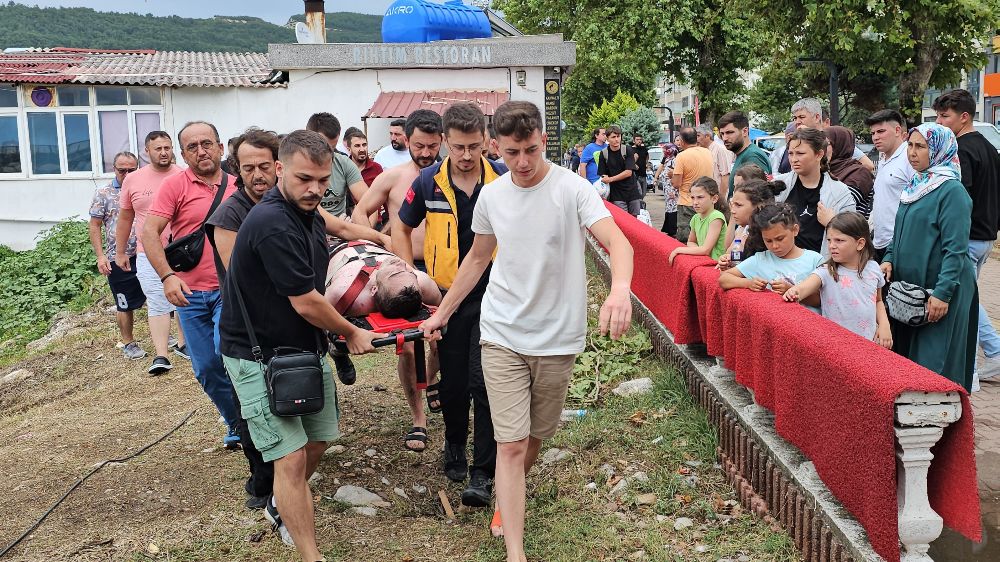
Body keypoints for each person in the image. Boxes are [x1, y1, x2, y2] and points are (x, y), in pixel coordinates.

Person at [418, 100, 634, 562]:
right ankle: (515, 551)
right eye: (513, 152)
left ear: (542, 142)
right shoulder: (493, 197)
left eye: (532, 150)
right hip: (502, 332)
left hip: (558, 336)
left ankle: (505, 493)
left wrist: (619, 291)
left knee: (536, 435)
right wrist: (443, 313)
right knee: (510, 443)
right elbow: (478, 258)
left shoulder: (573, 190)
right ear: (498, 146)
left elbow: (617, 241)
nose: (523, 162)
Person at [205, 127, 391, 512]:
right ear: (281, 169)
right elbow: (298, 298)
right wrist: (349, 330)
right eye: (305, 179)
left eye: (323, 181)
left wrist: (379, 239)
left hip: (301, 341)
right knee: (282, 454)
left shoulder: (305, 208)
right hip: (256, 347)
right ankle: (274, 496)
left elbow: (335, 227)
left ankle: (281, 496)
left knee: (316, 439)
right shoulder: (254, 218)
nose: (315, 188)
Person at [395, 101, 508, 506]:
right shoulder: (428, 182)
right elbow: (401, 226)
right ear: (444, 142)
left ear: (486, 142)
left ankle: (482, 470)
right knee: (455, 382)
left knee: (487, 383)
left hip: (496, 295)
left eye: (473, 147)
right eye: (457, 146)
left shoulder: (503, 179)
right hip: (448, 297)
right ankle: (455, 446)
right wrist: (411, 277)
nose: (464, 155)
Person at [142, 121, 242, 448]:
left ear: (220, 147)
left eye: (207, 143)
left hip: (232, 291)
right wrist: (167, 277)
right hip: (190, 295)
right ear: (183, 154)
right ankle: (236, 423)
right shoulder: (174, 186)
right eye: (193, 147)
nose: (201, 151)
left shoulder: (239, 185)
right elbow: (148, 233)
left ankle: (250, 426)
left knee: (227, 356)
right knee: (206, 368)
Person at [352, 109, 445, 449]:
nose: (425, 153)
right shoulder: (392, 177)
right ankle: (418, 418)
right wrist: (379, 239)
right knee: (405, 346)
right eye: (419, 145)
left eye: (432, 146)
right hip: (401, 269)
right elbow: (359, 212)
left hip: (443, 269)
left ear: (442, 142)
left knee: (440, 338)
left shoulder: (450, 176)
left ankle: (431, 381)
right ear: (407, 140)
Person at [880, 123, 978, 391]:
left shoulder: (951, 191)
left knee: (934, 361)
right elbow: (897, 232)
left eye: (920, 146)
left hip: (940, 289)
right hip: (910, 289)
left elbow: (956, 248)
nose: (912, 153)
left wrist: (943, 293)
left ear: (938, 150)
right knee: (909, 358)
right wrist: (888, 257)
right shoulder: (915, 184)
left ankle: (943, 425)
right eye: (910, 145)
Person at [933, 89, 1000, 381]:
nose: (939, 121)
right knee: (969, 299)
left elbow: (963, 197)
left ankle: (970, 371)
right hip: (985, 237)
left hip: (969, 238)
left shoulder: (962, 150)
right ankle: (995, 352)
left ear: (963, 117)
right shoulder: (988, 146)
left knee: (964, 304)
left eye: (944, 116)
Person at [116, 131, 187, 375]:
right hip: (148, 251)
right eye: (158, 148)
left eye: (167, 147)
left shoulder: (183, 175)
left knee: (184, 299)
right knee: (157, 301)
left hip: (182, 249)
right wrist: (121, 251)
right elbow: (126, 217)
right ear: (147, 151)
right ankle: (161, 355)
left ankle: (183, 344)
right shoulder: (133, 179)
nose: (163, 152)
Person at [783, 212, 892, 348]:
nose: (831, 246)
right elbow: (805, 287)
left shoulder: (874, 268)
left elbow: (878, 300)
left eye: (839, 240)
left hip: (868, 345)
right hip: (835, 347)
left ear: (860, 243)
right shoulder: (826, 271)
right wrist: (794, 291)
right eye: (829, 240)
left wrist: (884, 325)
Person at [89, 152, 146, 360]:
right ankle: (128, 342)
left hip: (146, 252)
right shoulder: (103, 193)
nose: (127, 174)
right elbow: (94, 226)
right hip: (118, 257)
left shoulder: (144, 189)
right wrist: (100, 256)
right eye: (122, 170)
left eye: (132, 170)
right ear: (114, 169)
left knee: (158, 295)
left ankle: (165, 336)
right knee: (124, 302)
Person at [772, 127, 856, 255]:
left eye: (800, 153)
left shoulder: (839, 192)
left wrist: (832, 222)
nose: (794, 159)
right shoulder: (779, 185)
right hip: (781, 263)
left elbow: (853, 234)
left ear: (819, 154)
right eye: (790, 153)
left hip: (820, 267)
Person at [719, 204, 825, 302]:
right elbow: (724, 279)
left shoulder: (814, 260)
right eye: (768, 241)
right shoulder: (761, 259)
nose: (774, 246)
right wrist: (748, 283)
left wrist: (791, 290)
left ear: (795, 230)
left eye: (780, 238)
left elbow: (821, 300)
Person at [324, 241, 442, 317]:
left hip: (337, 248)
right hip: (373, 241)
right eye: (411, 273)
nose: (401, 263)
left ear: (374, 289)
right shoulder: (422, 282)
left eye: (394, 273)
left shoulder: (343, 292)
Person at [865, 109, 914, 263]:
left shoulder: (909, 157)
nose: (876, 137)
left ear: (898, 130)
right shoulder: (884, 157)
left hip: (901, 244)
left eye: (881, 131)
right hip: (880, 241)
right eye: (873, 133)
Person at [305, 112, 369, 217]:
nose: (328, 153)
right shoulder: (296, 167)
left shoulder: (343, 163)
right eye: (323, 148)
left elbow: (368, 203)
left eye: (333, 148)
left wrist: (365, 229)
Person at [791, 98, 875, 172]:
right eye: (795, 118)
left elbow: (868, 166)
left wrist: (842, 179)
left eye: (801, 117)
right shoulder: (796, 141)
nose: (797, 122)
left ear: (817, 117)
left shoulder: (835, 139)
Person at [717, 179, 786, 270]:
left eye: (738, 205)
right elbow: (730, 252)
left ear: (759, 206)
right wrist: (726, 260)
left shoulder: (768, 234)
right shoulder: (746, 228)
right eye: (732, 204)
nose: (732, 210)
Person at [669, 176, 729, 263]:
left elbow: (706, 250)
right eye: (692, 197)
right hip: (703, 261)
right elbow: (691, 242)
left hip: (715, 264)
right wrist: (699, 250)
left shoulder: (716, 217)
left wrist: (678, 250)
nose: (695, 202)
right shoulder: (696, 218)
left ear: (714, 199)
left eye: (700, 197)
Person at [672, 127, 715, 242]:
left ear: (681, 140)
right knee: (703, 237)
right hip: (706, 201)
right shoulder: (707, 152)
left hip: (687, 202)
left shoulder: (682, 156)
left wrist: (672, 175)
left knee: (686, 239)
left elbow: (676, 183)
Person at [718, 111, 772, 198]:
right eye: (722, 134)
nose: (724, 138)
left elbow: (757, 197)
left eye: (729, 132)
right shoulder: (743, 154)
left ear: (745, 131)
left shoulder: (752, 156)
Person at [825, 126, 874, 218]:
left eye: (826, 144)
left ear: (839, 144)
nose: (821, 148)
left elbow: (838, 205)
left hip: (847, 230)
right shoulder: (826, 170)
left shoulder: (859, 173)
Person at [597, 125, 641, 216]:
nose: (617, 139)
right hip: (617, 195)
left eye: (618, 136)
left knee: (634, 221)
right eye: (613, 137)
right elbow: (602, 175)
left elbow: (628, 172)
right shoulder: (604, 153)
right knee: (623, 222)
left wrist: (610, 179)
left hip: (632, 192)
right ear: (607, 138)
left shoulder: (627, 149)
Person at [697, 124, 733, 189]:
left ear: (707, 136)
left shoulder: (721, 150)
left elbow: (725, 176)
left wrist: (722, 197)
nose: (696, 139)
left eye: (698, 136)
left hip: (717, 193)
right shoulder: (701, 151)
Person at [654, 144, 679, 236]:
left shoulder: (674, 161)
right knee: (669, 207)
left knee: (673, 207)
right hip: (667, 189)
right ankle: (669, 227)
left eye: (666, 150)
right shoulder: (668, 160)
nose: (664, 152)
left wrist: (673, 190)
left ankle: (673, 229)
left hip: (672, 189)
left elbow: (675, 175)